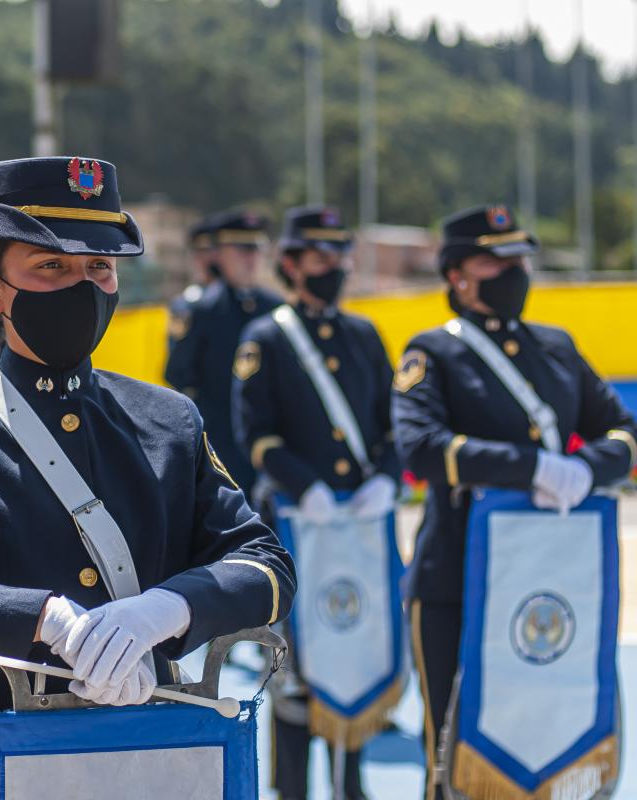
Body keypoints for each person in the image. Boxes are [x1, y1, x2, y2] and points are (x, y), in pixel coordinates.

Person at [0, 156, 295, 798]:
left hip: (148, 754)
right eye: (51, 266)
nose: (83, 286)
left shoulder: (167, 420)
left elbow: (267, 566)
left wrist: (164, 612)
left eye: (99, 267)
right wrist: (45, 619)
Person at [391, 205, 637, 800]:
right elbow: (421, 448)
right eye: (494, 260)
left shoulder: (555, 347)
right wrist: (532, 468)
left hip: (551, 578)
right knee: (452, 753)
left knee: (549, 732)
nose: (514, 271)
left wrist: (583, 467)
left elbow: (624, 433)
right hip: (455, 579)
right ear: (457, 275)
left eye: (519, 258)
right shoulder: (434, 353)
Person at [233, 206, 399, 800]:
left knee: (353, 640)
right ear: (291, 264)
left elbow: (390, 424)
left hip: (358, 522)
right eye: (319, 256)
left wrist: (387, 476)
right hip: (298, 523)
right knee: (298, 662)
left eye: (339, 256)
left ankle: (352, 783)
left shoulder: (364, 335)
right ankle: (294, 787)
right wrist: (307, 487)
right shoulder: (267, 339)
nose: (333, 267)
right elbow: (258, 436)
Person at [166, 210, 281, 498]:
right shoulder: (200, 310)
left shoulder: (276, 308)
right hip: (221, 444)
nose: (250, 258)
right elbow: (178, 375)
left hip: (273, 444)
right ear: (220, 255)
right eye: (242, 250)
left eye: (255, 249)